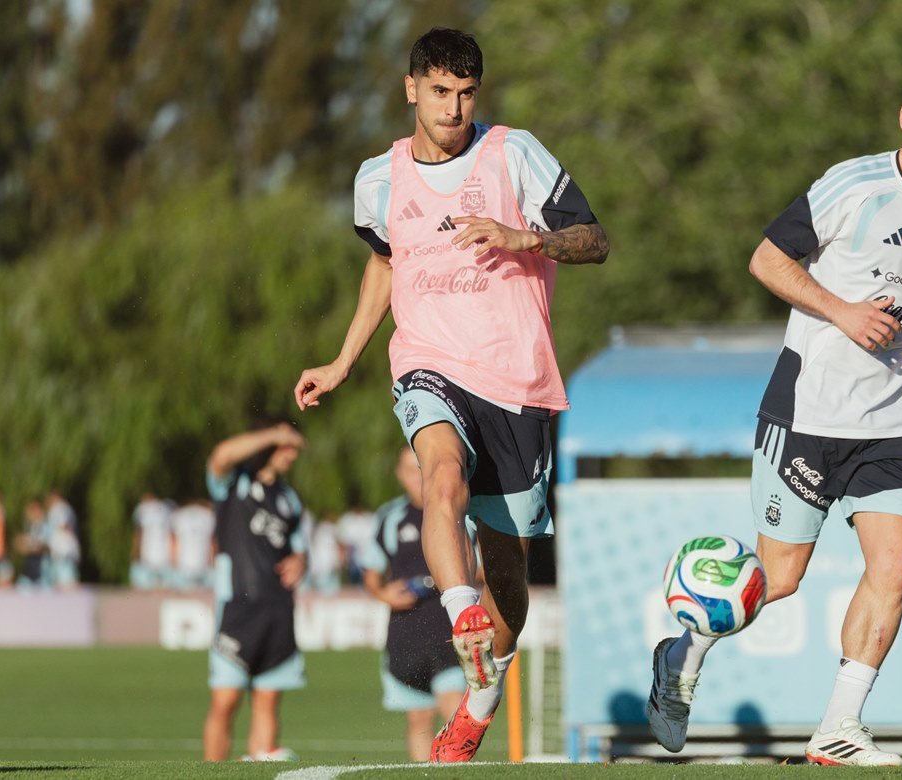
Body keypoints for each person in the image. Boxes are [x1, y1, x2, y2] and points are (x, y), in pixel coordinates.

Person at [646, 62, 902, 766]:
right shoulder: (853, 186)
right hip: (808, 413)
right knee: (782, 578)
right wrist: (842, 311)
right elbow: (766, 261)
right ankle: (682, 653)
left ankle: (839, 726)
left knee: (898, 559)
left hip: (891, 422)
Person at [293, 27, 609, 762]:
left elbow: (594, 239)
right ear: (412, 89)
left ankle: (482, 693)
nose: (454, 107)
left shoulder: (513, 153)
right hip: (428, 364)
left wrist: (525, 238)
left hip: (517, 378)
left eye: (466, 93)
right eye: (440, 91)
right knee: (440, 479)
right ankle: (459, 612)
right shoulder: (378, 177)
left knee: (511, 582)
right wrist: (343, 360)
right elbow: (384, 263)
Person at [202, 423, 308, 762]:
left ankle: (259, 767)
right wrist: (273, 433)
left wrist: (300, 561)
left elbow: (298, 548)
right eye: (287, 447)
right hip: (237, 610)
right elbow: (220, 456)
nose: (292, 455)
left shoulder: (289, 498)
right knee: (226, 700)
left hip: (277, 611)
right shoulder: (234, 484)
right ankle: (211, 771)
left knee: (267, 701)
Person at [361, 448, 470, 760]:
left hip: (449, 632)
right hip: (406, 635)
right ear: (399, 474)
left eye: (422, 468)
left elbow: (478, 566)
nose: (417, 477)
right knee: (419, 721)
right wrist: (385, 594)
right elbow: (372, 574)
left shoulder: (458, 511)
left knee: (454, 715)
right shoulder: (390, 517)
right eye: (410, 470)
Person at [131, 493, 176, 591]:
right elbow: (172, 537)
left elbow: (138, 536)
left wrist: (135, 555)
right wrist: (173, 559)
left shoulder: (142, 510)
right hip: (164, 559)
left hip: (147, 559)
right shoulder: (166, 509)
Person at [173, 498, 217, 591]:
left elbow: (174, 544)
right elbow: (212, 545)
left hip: (184, 569)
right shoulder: (207, 515)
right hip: (203, 569)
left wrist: (175, 564)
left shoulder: (180, 515)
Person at [45, 491, 80, 589]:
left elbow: (63, 524)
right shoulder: (65, 508)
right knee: (64, 581)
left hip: (63, 551)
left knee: (66, 582)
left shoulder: (59, 508)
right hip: (63, 550)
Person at [15, 500, 49, 590]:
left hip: (42, 569)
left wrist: (29, 547)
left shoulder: (45, 527)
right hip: (30, 567)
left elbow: (45, 547)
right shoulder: (30, 527)